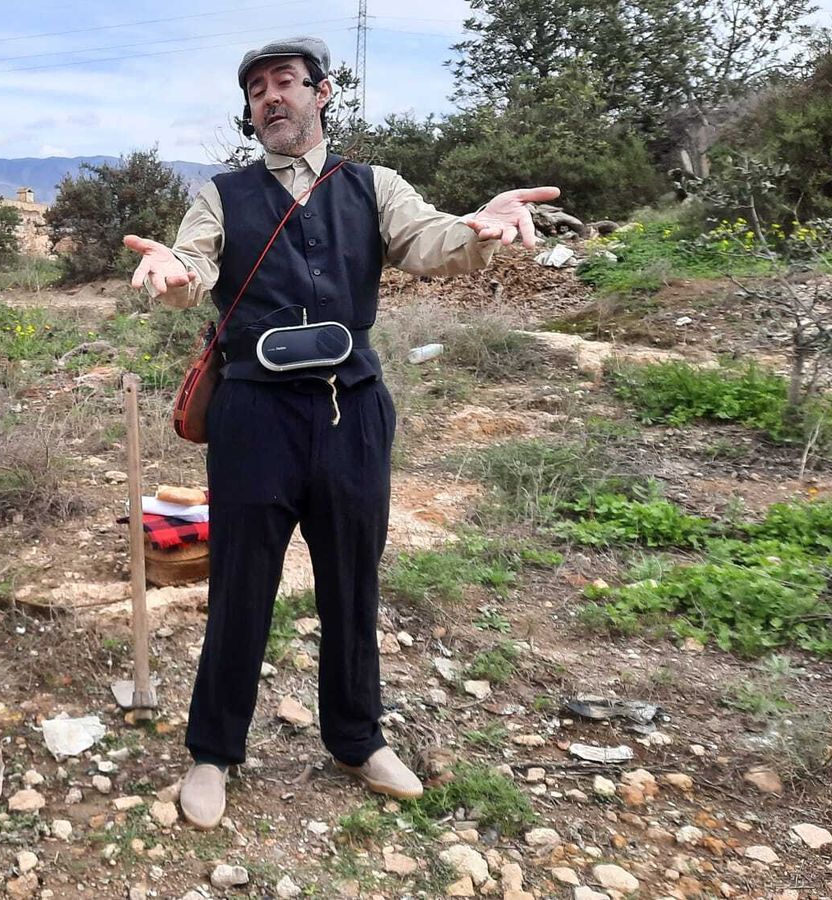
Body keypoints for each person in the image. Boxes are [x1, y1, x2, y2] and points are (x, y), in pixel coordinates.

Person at [123, 36, 558, 829]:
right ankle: (213, 751)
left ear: (321, 93)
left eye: (286, 82)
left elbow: (429, 241)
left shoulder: (373, 185)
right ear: (249, 110)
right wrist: (175, 277)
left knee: (353, 582)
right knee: (241, 586)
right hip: (253, 415)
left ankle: (357, 740)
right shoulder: (221, 195)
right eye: (257, 88)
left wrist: (478, 228)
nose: (271, 96)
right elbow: (192, 265)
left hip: (351, 409)